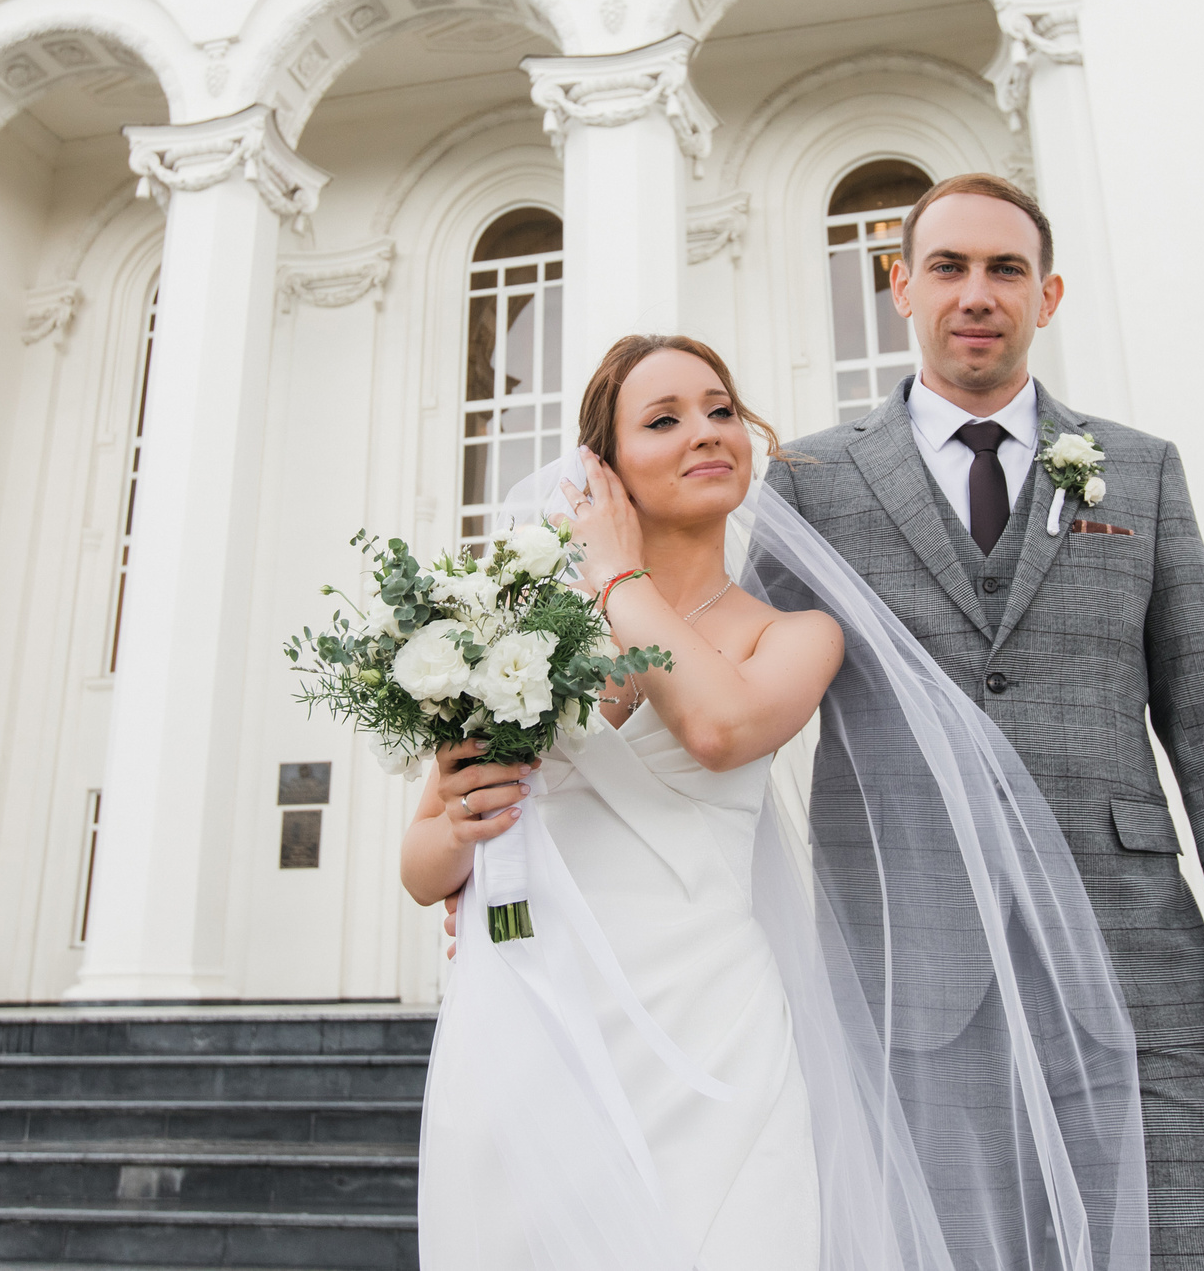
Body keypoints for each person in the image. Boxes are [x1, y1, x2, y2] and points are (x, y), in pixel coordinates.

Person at [407, 333, 1157, 1271]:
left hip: (715, 1019)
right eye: (665, 419)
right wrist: (460, 813)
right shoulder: (513, 636)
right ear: (606, 468)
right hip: (536, 1011)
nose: (706, 432)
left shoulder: (797, 634)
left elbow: (719, 727)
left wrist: (610, 575)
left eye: (721, 409)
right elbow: (424, 862)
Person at [765, 173, 1204, 1271]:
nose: (977, 295)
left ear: (1047, 294)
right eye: (949, 267)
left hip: (1137, 974)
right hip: (907, 984)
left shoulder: (1140, 471)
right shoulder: (812, 483)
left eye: (1004, 269)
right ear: (900, 288)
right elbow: (732, 710)